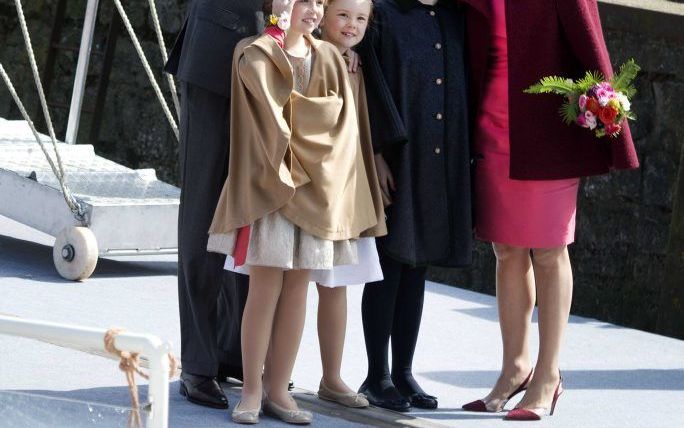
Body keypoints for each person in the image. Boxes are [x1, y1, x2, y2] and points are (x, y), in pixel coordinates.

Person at [458, 0, 639, 420]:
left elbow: (591, 46)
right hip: (491, 127)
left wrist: (610, 117)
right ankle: (514, 368)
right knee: (505, 248)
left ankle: (547, 375)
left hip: (546, 131)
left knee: (548, 248)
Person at [206, 0, 383, 423]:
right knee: (264, 290)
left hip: (315, 192)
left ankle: (278, 390)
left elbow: (339, 124)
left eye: (322, 3)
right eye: (307, 1)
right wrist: (307, 119)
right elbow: (264, 117)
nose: (316, 11)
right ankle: (250, 390)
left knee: (298, 291)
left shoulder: (329, 57)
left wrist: (301, 122)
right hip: (271, 189)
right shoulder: (255, 51)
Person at [163, 0, 292, 409]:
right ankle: (198, 363)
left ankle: (235, 351)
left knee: (256, 208)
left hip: (277, 57)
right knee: (205, 213)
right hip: (216, 53)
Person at [357, 0, 473, 412]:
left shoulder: (453, 16)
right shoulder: (385, 14)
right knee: (388, 262)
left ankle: (403, 372)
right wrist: (375, 152)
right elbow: (367, 82)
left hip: (438, 155)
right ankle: (376, 376)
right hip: (398, 154)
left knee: (417, 266)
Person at [313, 0, 384, 409]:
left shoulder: (354, 64)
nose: (351, 25)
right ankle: (271, 373)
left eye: (360, 19)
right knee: (283, 283)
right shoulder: (306, 54)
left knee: (335, 283)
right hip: (304, 184)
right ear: (323, 13)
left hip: (340, 189)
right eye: (343, 15)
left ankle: (332, 376)